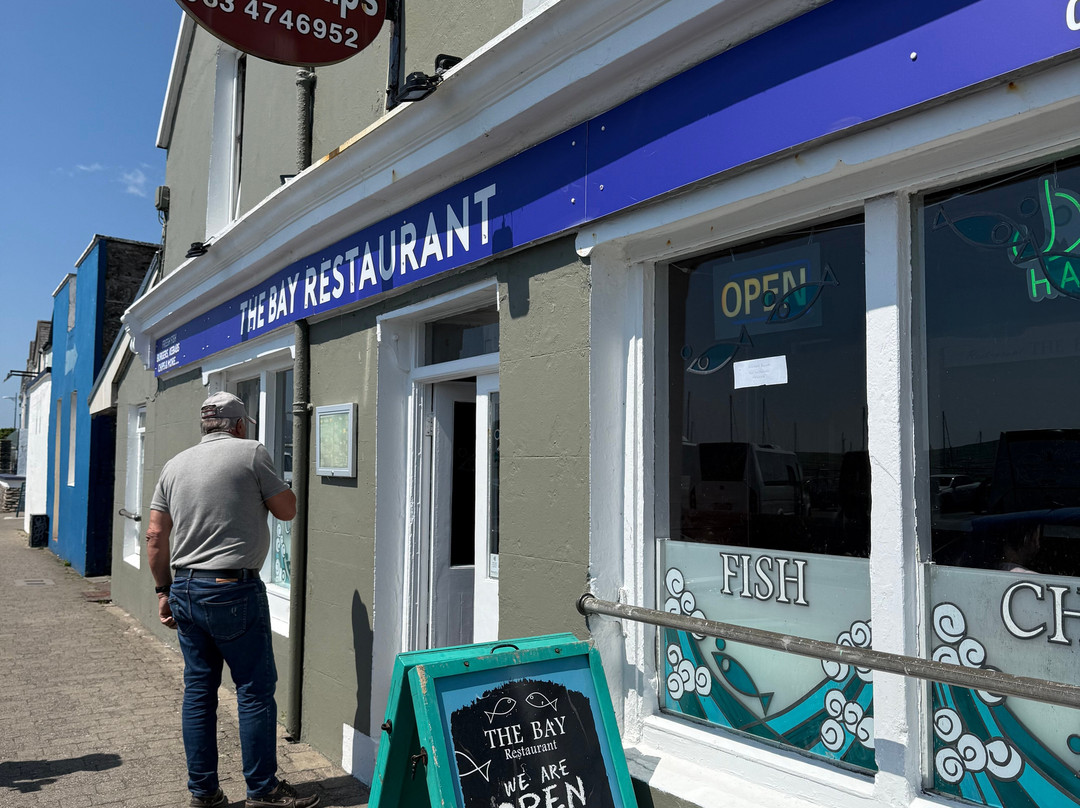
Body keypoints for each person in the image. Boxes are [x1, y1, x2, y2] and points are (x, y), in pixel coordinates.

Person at [147, 391, 318, 808]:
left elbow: (154, 536)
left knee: (199, 691)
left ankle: (204, 793)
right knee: (254, 691)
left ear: (205, 425)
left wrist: (163, 590)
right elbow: (287, 510)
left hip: (185, 588)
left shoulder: (174, 465)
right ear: (239, 424)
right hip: (233, 589)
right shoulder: (252, 453)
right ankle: (263, 791)